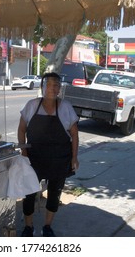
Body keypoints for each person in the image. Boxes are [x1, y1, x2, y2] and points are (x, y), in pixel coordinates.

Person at [17, 72, 80, 237]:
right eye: (49, 84)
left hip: (59, 159)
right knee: (29, 193)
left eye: (56, 85)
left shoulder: (66, 107)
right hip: (34, 158)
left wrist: (74, 157)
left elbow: (74, 134)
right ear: (42, 87)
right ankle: (28, 227)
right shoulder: (32, 105)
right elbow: (22, 129)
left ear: (59, 88)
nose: (53, 88)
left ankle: (47, 226)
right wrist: (24, 151)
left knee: (54, 194)